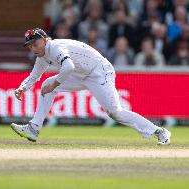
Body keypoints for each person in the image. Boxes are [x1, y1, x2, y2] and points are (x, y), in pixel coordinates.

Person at [11, 28, 171, 145]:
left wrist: (54, 84)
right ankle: (34, 128)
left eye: (35, 44)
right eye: (30, 46)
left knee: (115, 112)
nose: (33, 49)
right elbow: (34, 76)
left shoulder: (55, 47)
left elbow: (68, 67)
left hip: (99, 71)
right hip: (82, 74)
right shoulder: (42, 55)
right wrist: (22, 87)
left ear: (45, 39)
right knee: (46, 84)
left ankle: (159, 131)